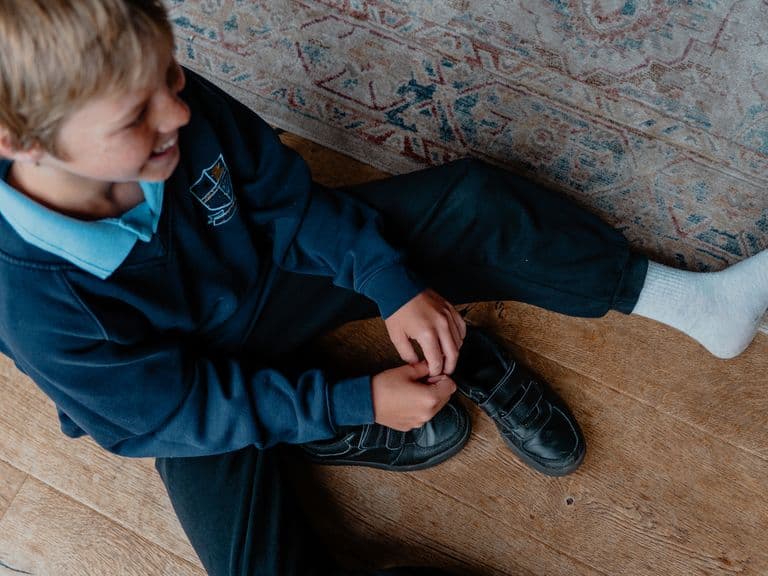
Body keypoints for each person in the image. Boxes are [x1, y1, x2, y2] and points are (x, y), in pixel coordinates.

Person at [1, 1, 765, 575]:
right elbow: (169, 412)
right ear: (21, 143)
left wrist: (389, 282)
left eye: (170, 72)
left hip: (268, 283)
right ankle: (320, 410)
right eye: (138, 113)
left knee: (473, 203)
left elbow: (284, 199)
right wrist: (349, 403)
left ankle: (694, 304)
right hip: (189, 394)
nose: (178, 108)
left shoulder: (166, 108)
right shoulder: (29, 299)